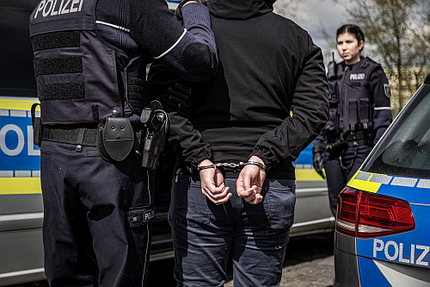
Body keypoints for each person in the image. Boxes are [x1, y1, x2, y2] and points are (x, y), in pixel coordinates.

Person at [28, 0, 218, 286]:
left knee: (67, 275)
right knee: (120, 277)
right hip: (109, 160)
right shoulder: (129, 4)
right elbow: (199, 60)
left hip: (55, 158)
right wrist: (194, 8)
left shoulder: (45, 7)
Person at [148, 0, 329, 285]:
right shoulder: (296, 37)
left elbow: (161, 104)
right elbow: (314, 112)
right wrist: (261, 158)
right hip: (268, 184)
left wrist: (200, 159)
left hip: (201, 183)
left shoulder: (189, 32)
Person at [312, 24, 392, 217]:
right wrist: (317, 146)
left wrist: (378, 153)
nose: (343, 47)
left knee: (356, 204)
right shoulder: (331, 74)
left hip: (361, 148)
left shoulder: (373, 71)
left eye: (349, 42)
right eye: (340, 43)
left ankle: (356, 247)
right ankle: (340, 246)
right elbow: (323, 114)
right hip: (332, 151)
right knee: (336, 203)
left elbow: (382, 116)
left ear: (360, 44)